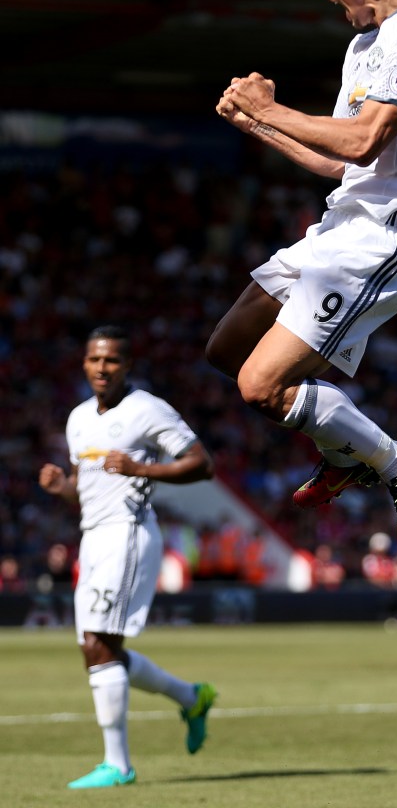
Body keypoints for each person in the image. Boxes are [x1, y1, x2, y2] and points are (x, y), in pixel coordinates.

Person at [208, 0, 397, 556]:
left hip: (383, 237)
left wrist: (272, 107)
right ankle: (342, 450)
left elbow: (361, 140)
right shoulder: (364, 46)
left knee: (259, 385)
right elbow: (337, 161)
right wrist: (258, 125)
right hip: (338, 226)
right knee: (226, 350)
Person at [38, 325, 217, 789]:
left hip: (129, 533)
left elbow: (202, 463)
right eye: (95, 359)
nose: (102, 368)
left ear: (128, 365)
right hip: (92, 536)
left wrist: (142, 467)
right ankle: (191, 697)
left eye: (113, 360)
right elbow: (88, 489)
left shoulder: (147, 410)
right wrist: (64, 489)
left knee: (100, 644)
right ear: (84, 363)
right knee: (96, 649)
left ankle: (117, 766)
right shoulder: (78, 419)